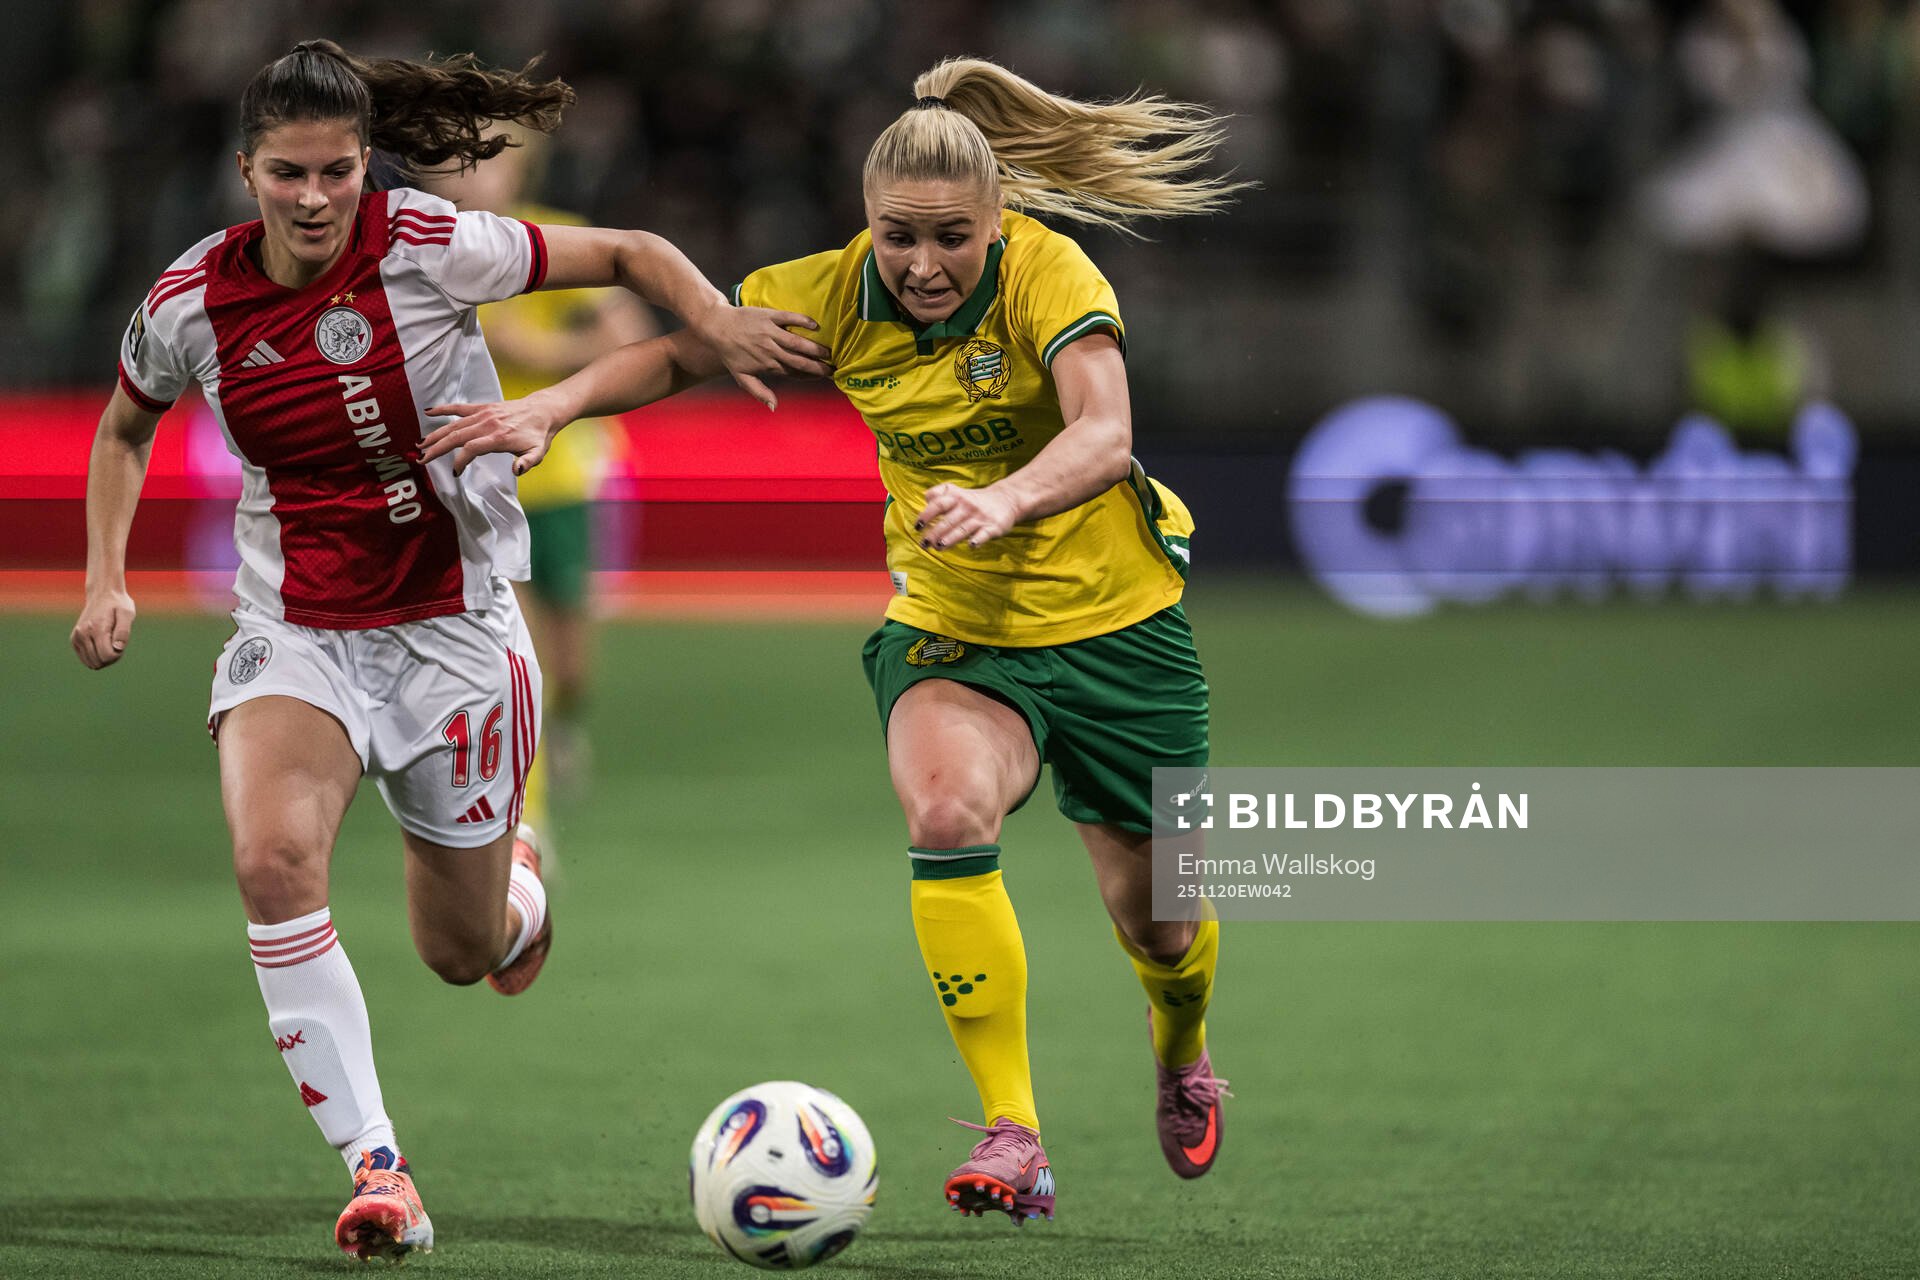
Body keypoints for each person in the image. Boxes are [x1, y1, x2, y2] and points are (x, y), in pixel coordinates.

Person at [423, 56, 1242, 1225]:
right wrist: (551, 405)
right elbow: (675, 353)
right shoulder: (829, 294)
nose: (920, 264)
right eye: (896, 236)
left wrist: (1007, 498)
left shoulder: (1049, 274)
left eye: (950, 238)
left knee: (1159, 918)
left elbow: (1103, 432)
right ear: (866, 222)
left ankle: (1182, 1042)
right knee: (948, 811)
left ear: (997, 217)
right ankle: (1016, 1128)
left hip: (1121, 631)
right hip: (952, 627)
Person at [68, 39, 826, 1262]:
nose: (314, 199)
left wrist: (718, 321)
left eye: (336, 171)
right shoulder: (188, 302)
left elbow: (630, 254)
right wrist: (105, 577)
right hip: (296, 628)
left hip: (453, 631)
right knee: (272, 862)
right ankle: (379, 1166)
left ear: (365, 164)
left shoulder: (431, 244)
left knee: (458, 951)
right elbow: (123, 428)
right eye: (287, 174)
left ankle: (518, 891)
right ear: (245, 169)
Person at [423, 132, 658, 825]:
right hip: (475, 485)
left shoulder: (558, 242)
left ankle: (559, 733)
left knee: (570, 667)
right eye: (454, 164)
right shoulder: (428, 253)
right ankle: (526, 818)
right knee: (512, 658)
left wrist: (543, 350)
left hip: (562, 481)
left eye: (489, 161)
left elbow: (632, 335)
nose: (471, 178)